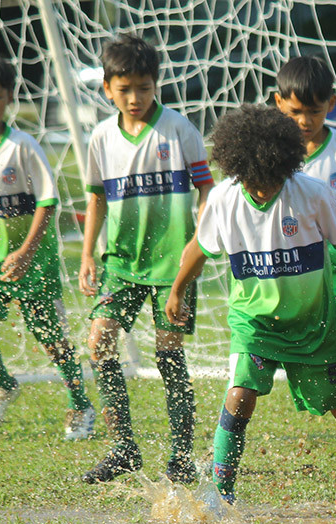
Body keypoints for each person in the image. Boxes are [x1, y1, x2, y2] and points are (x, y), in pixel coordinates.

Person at [165, 105, 336, 504]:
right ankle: (220, 494)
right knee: (240, 394)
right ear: (238, 170)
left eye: (272, 180)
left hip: (313, 325)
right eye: (254, 181)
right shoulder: (225, 200)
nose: (263, 189)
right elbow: (198, 249)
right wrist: (177, 289)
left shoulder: (311, 193)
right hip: (255, 324)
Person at [77, 34, 215, 484]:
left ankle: (180, 454)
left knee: (169, 354)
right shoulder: (100, 138)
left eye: (143, 87)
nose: (134, 97)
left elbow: (206, 190)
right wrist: (88, 256)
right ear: (106, 89)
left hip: (174, 268)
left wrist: (199, 243)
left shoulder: (178, 130)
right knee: (99, 340)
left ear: (156, 84)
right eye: (124, 89)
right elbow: (96, 198)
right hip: (119, 263)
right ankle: (123, 449)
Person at [0, 55, 95, 440]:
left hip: (33, 259)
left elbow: (48, 202)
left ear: (9, 98)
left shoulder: (23, 146)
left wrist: (27, 251)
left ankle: (79, 404)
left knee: (52, 338)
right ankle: (1, 384)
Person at [274, 56, 336, 402]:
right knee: (311, 351)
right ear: (278, 103)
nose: (305, 121)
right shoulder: (271, 154)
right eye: (295, 112)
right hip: (296, 270)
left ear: (331, 104)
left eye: (315, 112)